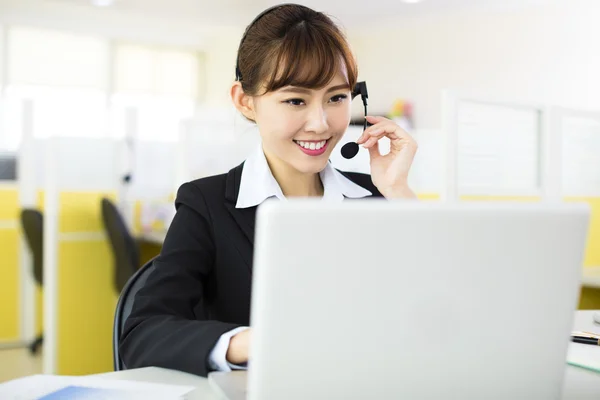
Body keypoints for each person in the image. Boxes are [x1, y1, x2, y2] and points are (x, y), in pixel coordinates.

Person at [119, 3, 418, 377]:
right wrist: (256, 342)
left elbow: (439, 312)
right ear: (246, 101)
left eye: (337, 98)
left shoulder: (377, 197)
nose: (320, 123)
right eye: (295, 100)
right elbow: (142, 333)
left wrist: (398, 192)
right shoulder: (207, 206)